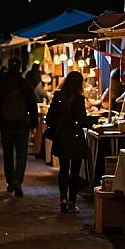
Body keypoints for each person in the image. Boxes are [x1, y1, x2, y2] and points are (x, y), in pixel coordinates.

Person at [0, 58, 38, 197]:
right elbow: (32, 104)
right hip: (22, 124)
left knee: (8, 154)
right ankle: (18, 179)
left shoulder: (2, 83)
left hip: (6, 124)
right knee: (22, 154)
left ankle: (10, 181)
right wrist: (34, 123)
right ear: (20, 67)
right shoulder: (24, 84)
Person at [45, 71, 90, 213]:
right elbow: (82, 120)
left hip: (62, 137)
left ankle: (62, 199)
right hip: (75, 137)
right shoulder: (79, 99)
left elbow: (49, 117)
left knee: (63, 169)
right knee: (75, 171)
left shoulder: (58, 96)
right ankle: (72, 202)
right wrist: (92, 122)